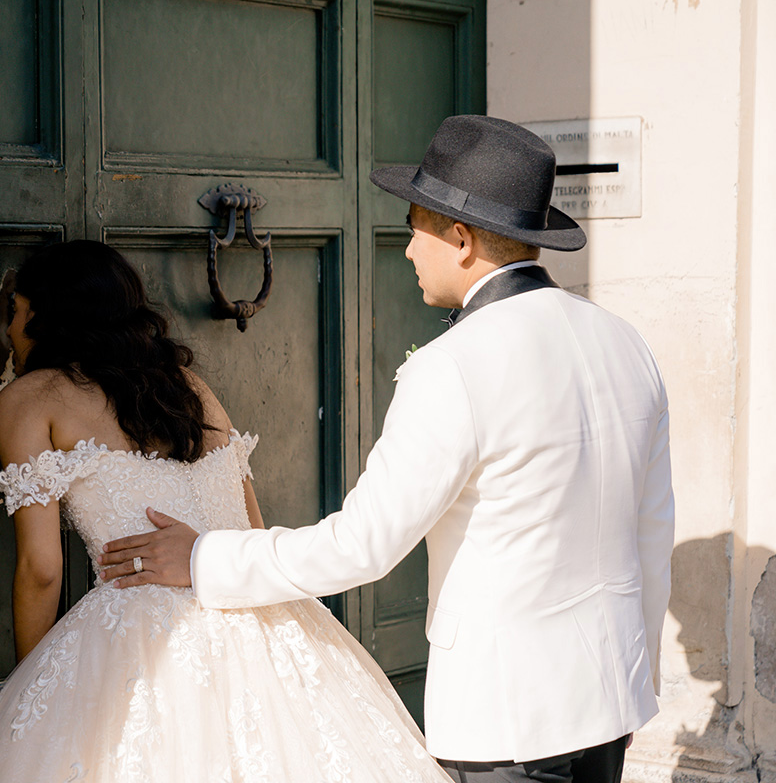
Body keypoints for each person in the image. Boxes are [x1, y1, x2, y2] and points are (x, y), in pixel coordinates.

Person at [100, 116, 676, 783]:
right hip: (610, 700)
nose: (406, 250)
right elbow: (651, 532)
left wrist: (203, 557)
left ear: (460, 239)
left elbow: (361, 546)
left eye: (413, 227)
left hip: (509, 718)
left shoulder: (455, 366)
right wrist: (638, 678)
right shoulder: (626, 342)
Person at [0, 239, 456, 782]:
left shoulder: (31, 397)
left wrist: (33, 682)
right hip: (267, 625)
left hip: (138, 639)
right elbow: (253, 529)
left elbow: (43, 568)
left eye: (17, 310)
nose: (9, 328)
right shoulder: (190, 389)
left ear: (50, 317)